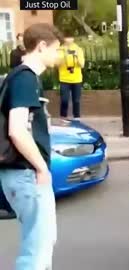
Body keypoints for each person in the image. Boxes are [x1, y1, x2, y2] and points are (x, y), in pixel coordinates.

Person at [0, 23, 62, 270]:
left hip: (19, 173)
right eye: (56, 50)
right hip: (25, 173)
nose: (58, 56)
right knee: (37, 249)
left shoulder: (15, 76)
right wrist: (41, 168)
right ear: (42, 46)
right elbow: (17, 130)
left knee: (42, 243)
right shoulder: (26, 78)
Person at [57, 33, 85, 120]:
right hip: (64, 78)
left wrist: (76, 56)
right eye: (67, 37)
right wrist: (64, 55)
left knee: (76, 100)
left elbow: (82, 64)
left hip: (76, 79)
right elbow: (57, 64)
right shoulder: (60, 49)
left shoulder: (78, 49)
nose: (69, 40)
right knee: (64, 100)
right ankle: (63, 117)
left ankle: (77, 117)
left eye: (70, 37)